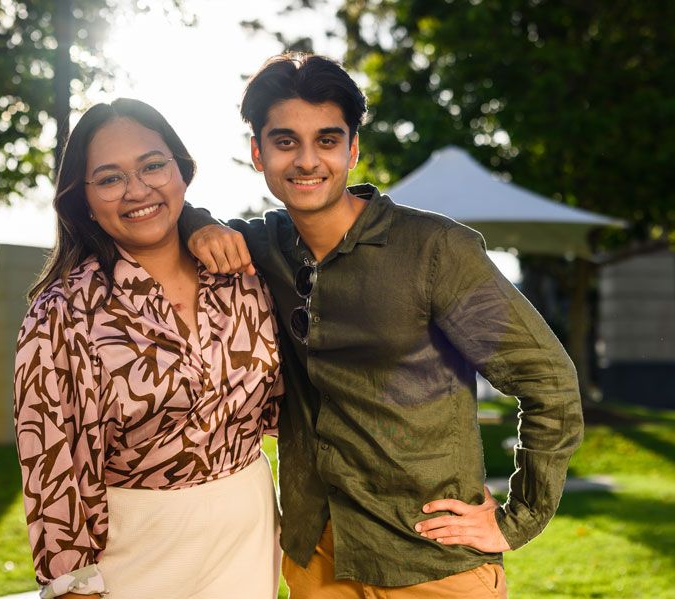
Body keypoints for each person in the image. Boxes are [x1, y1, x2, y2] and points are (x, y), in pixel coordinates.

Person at [180, 54, 583, 598]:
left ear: (352, 150)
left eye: (326, 140)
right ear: (258, 152)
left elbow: (548, 380)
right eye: (284, 141)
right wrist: (196, 223)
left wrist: (518, 518)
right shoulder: (263, 247)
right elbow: (163, 204)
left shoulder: (435, 252)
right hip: (318, 558)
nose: (306, 161)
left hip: (432, 562)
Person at [13, 98, 283, 599]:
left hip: (247, 537)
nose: (138, 190)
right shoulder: (63, 312)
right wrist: (72, 585)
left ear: (182, 170)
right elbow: (51, 464)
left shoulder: (242, 275)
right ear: (84, 198)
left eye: (153, 166)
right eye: (110, 178)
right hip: (136, 556)